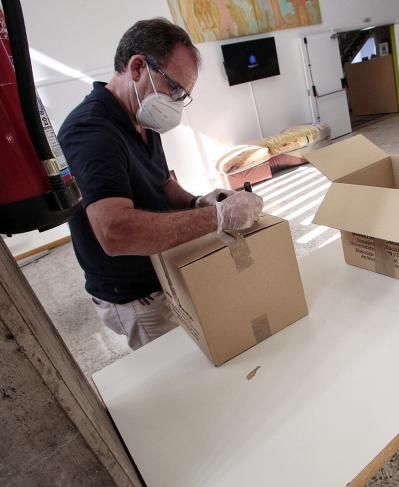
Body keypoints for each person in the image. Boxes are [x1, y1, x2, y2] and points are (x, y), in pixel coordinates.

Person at [58, 18, 263, 350]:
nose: (177, 104)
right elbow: (116, 233)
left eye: (183, 95)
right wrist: (219, 218)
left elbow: (163, 184)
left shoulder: (141, 118)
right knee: (181, 373)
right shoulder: (91, 133)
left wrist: (200, 202)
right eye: (174, 89)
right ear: (138, 66)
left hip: (161, 268)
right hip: (134, 295)